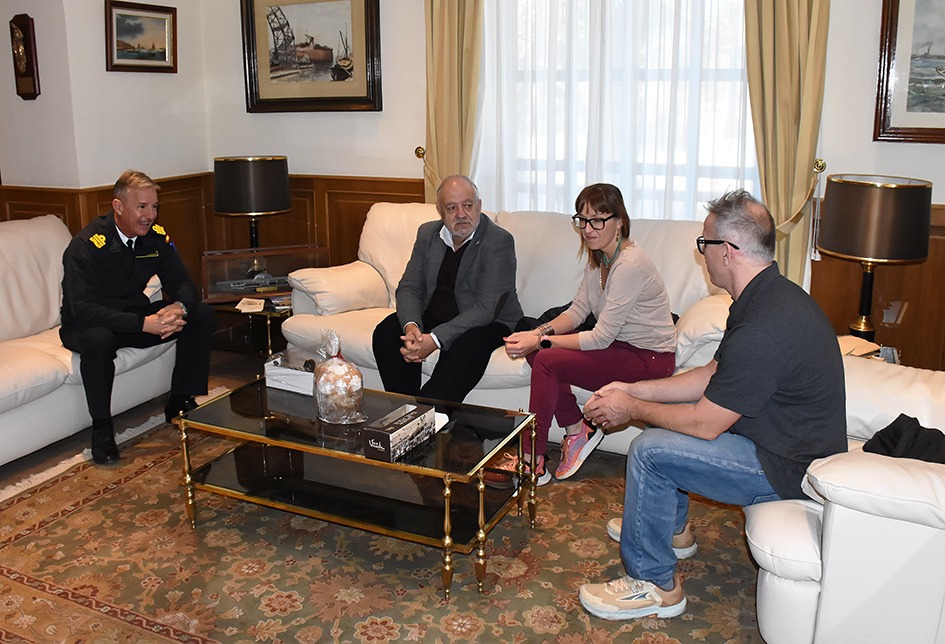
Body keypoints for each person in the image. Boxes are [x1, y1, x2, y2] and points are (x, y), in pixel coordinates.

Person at [578, 189, 847, 621]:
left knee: (649, 450)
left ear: (727, 250)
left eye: (704, 243)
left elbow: (705, 423)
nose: (701, 253)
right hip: (777, 443)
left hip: (788, 468)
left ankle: (654, 584)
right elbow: (710, 374)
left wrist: (631, 408)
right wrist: (635, 389)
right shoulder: (765, 296)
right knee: (661, 421)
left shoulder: (766, 326)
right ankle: (671, 530)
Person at [500, 183, 676, 485]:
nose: (587, 229)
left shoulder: (630, 264)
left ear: (619, 221)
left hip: (649, 359)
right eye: (582, 220)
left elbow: (600, 337)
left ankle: (532, 460)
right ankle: (576, 429)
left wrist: (540, 341)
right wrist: (536, 333)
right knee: (537, 352)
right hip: (620, 347)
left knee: (546, 359)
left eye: (597, 220)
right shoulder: (600, 259)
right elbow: (577, 311)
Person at [60, 170, 214, 464]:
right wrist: (145, 324)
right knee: (98, 340)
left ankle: (180, 400)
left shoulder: (154, 238)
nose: (150, 216)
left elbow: (182, 281)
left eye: (154, 206)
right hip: (89, 324)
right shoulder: (87, 246)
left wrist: (179, 306)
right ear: (118, 207)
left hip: (133, 315)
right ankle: (102, 430)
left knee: (200, 314)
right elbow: (83, 309)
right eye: (142, 207)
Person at [371, 175, 523, 403]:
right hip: (436, 315)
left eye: (467, 205)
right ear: (440, 211)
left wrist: (434, 339)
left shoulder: (498, 241)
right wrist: (412, 328)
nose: (461, 214)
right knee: (387, 332)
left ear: (479, 206)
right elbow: (410, 287)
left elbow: (486, 308)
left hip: (487, 322)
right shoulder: (428, 234)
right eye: (451, 208)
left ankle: (428, 414)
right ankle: (406, 409)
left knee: (465, 348)